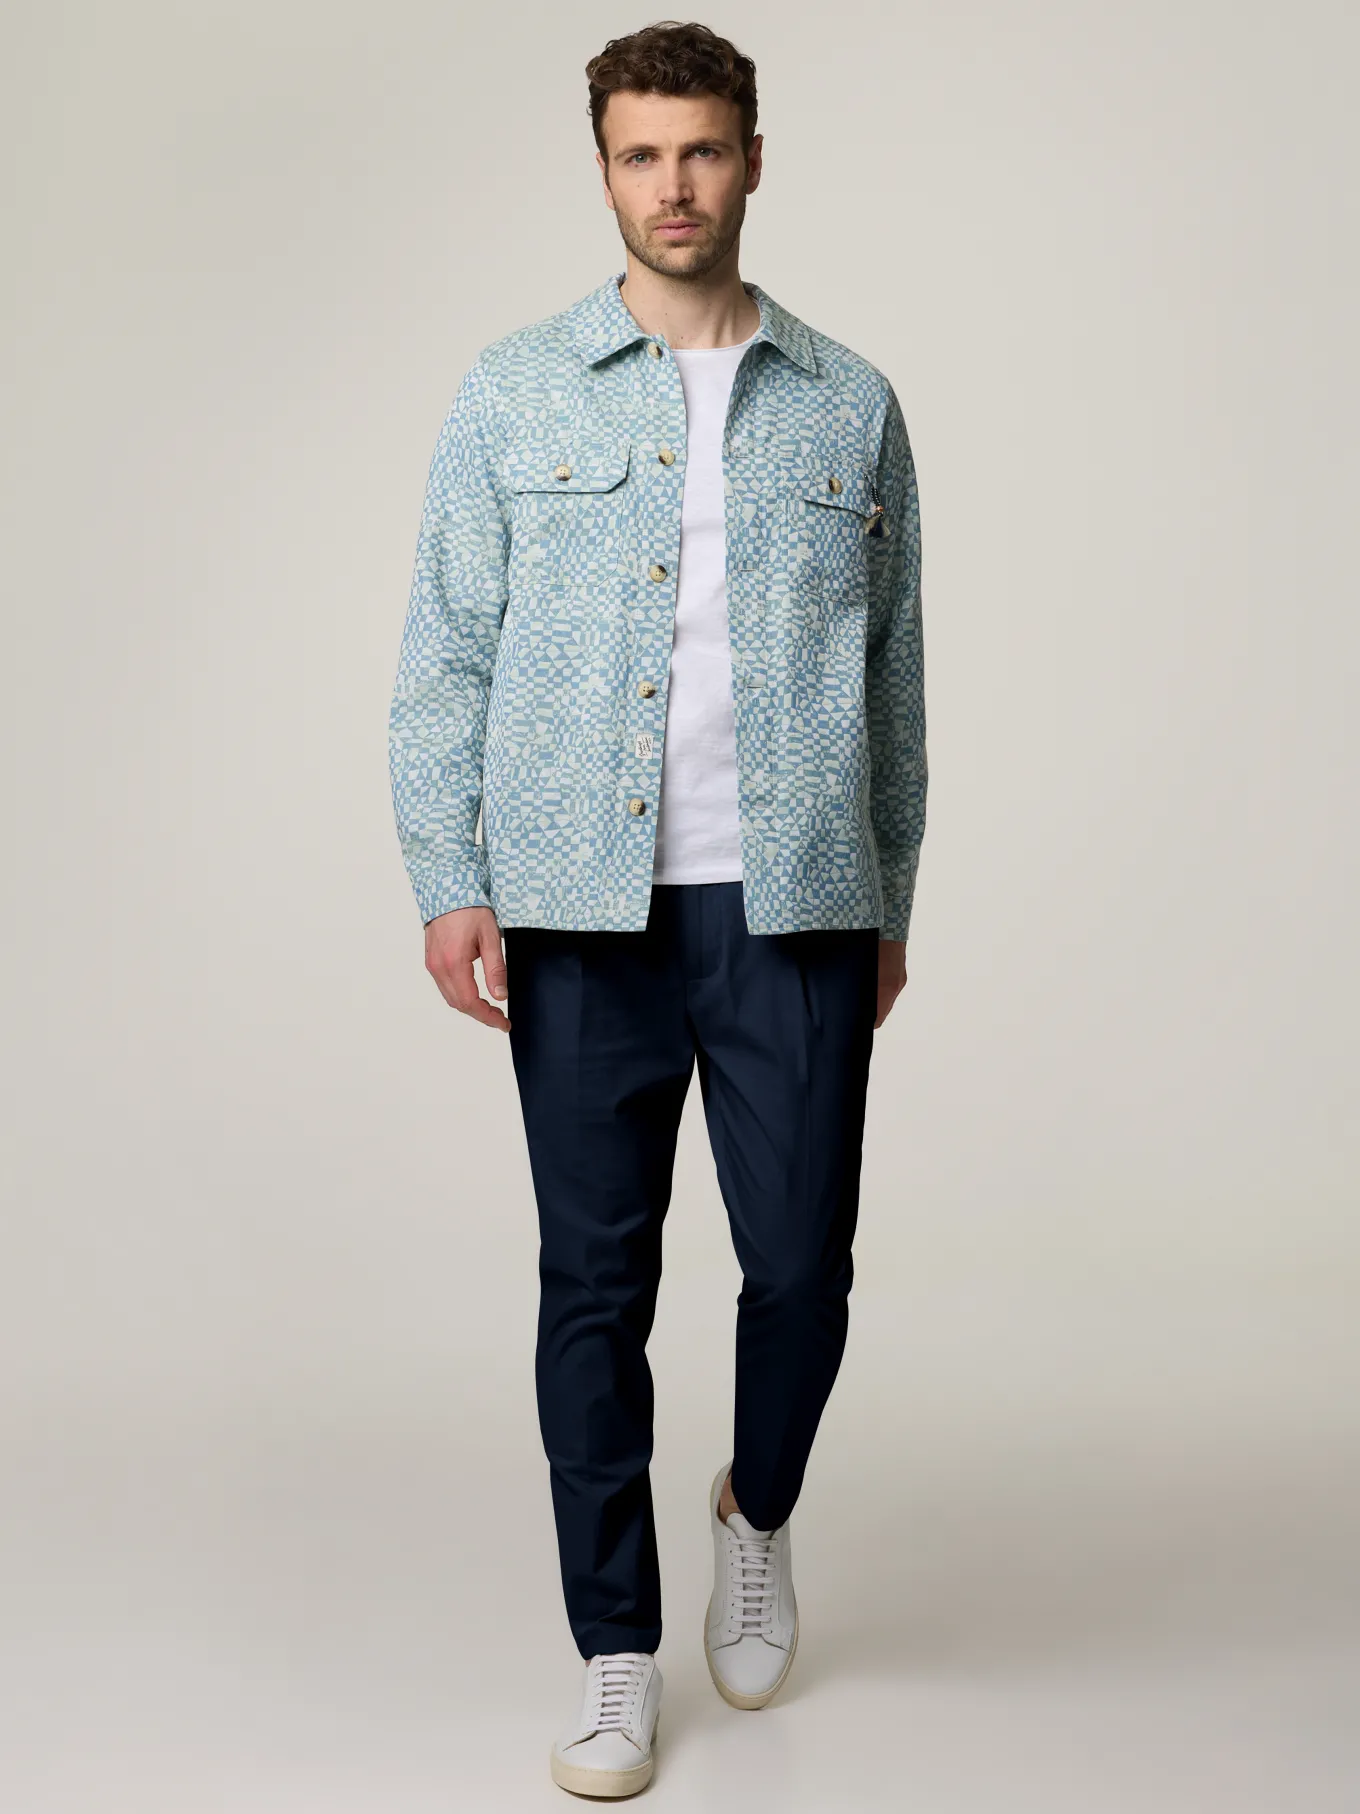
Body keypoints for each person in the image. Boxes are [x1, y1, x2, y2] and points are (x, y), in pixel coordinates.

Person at [388, 19, 927, 1800]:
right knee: (594, 1283)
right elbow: (445, 655)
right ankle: (616, 1647)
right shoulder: (513, 390)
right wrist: (451, 877)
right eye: (641, 154)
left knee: (803, 1264)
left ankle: (754, 1509)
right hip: (575, 910)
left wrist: (888, 893)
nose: (673, 186)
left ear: (753, 159)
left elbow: (896, 678)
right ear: (605, 168)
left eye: (701, 150)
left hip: (798, 902)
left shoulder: (848, 402)